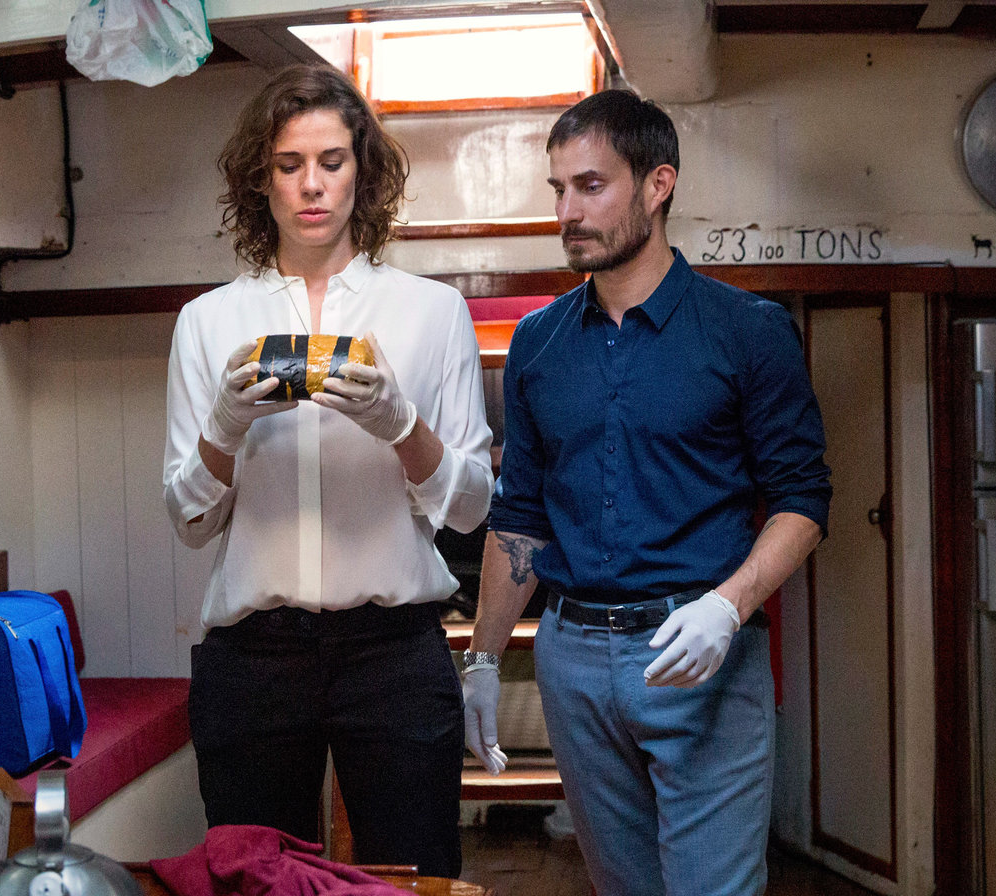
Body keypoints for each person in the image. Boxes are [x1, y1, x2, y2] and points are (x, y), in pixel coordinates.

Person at [460, 89, 832, 896]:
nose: (567, 211)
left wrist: (728, 607)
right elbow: (519, 515)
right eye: (559, 189)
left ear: (658, 184)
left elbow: (803, 500)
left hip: (700, 649)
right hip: (572, 659)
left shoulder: (748, 330)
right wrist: (484, 658)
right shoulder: (537, 342)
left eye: (590, 186)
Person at [162, 64, 493, 878]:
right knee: (253, 878)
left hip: (394, 650)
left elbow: (470, 508)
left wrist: (400, 425)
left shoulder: (432, 311)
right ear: (261, 179)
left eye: (332, 161)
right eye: (289, 164)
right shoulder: (207, 322)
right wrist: (224, 428)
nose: (312, 184)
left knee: (415, 875)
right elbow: (189, 519)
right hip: (254, 655)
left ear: (362, 172)